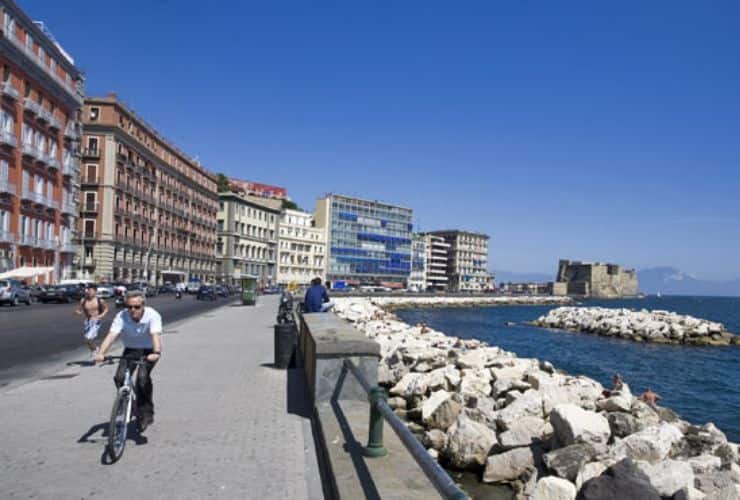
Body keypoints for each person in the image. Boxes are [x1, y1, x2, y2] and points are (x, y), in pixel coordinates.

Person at [94, 290, 162, 431]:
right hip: (131, 350)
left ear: (143, 306)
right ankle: (128, 403)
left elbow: (155, 335)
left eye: (137, 307)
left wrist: (156, 352)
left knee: (142, 379)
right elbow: (112, 335)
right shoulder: (122, 316)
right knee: (119, 378)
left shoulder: (153, 315)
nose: (132, 310)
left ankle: (146, 412)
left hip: (149, 351)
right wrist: (101, 353)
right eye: (129, 307)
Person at [74, 284, 109, 357]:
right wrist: (78, 312)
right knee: (87, 339)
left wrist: (101, 315)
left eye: (91, 291)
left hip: (96, 321)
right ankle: (95, 349)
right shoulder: (83, 300)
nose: (89, 292)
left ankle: (95, 350)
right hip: (87, 321)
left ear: (95, 292)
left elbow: (106, 309)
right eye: (88, 291)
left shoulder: (100, 300)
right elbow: (78, 310)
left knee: (88, 337)